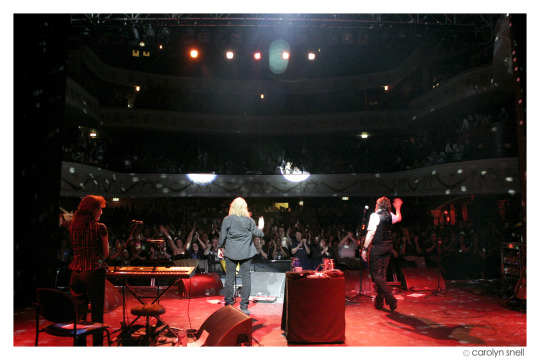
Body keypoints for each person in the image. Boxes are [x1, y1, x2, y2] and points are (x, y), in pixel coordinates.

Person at [67, 195, 109, 346]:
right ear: (93, 210)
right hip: (93, 272)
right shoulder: (100, 227)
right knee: (97, 314)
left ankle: (80, 348)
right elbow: (105, 254)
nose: (101, 213)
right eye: (100, 209)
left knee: (80, 314)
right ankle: (97, 347)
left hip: (76, 273)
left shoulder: (73, 226)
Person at [218, 197, 264, 315]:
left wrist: (220, 247)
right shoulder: (249, 220)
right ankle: (244, 307)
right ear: (245, 208)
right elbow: (258, 234)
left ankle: (229, 304)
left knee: (229, 278)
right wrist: (261, 226)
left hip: (231, 252)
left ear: (232, 207)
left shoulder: (227, 219)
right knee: (246, 279)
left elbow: (222, 236)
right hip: (246, 252)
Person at [361, 197, 403, 311]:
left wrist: (364, 248)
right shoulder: (390, 215)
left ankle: (390, 298)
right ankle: (379, 302)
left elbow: (371, 233)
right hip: (388, 247)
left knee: (375, 275)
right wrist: (398, 208)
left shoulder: (375, 216)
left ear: (378, 205)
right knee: (382, 275)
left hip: (378, 247)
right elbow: (399, 218)